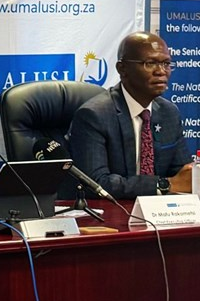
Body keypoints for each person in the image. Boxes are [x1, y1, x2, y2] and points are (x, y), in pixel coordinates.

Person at [68, 31, 190, 199]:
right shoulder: (94, 115)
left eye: (166, 63)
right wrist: (162, 185)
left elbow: (182, 175)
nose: (161, 71)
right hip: (113, 211)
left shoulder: (169, 112)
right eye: (150, 63)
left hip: (159, 211)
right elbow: (96, 184)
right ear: (122, 69)